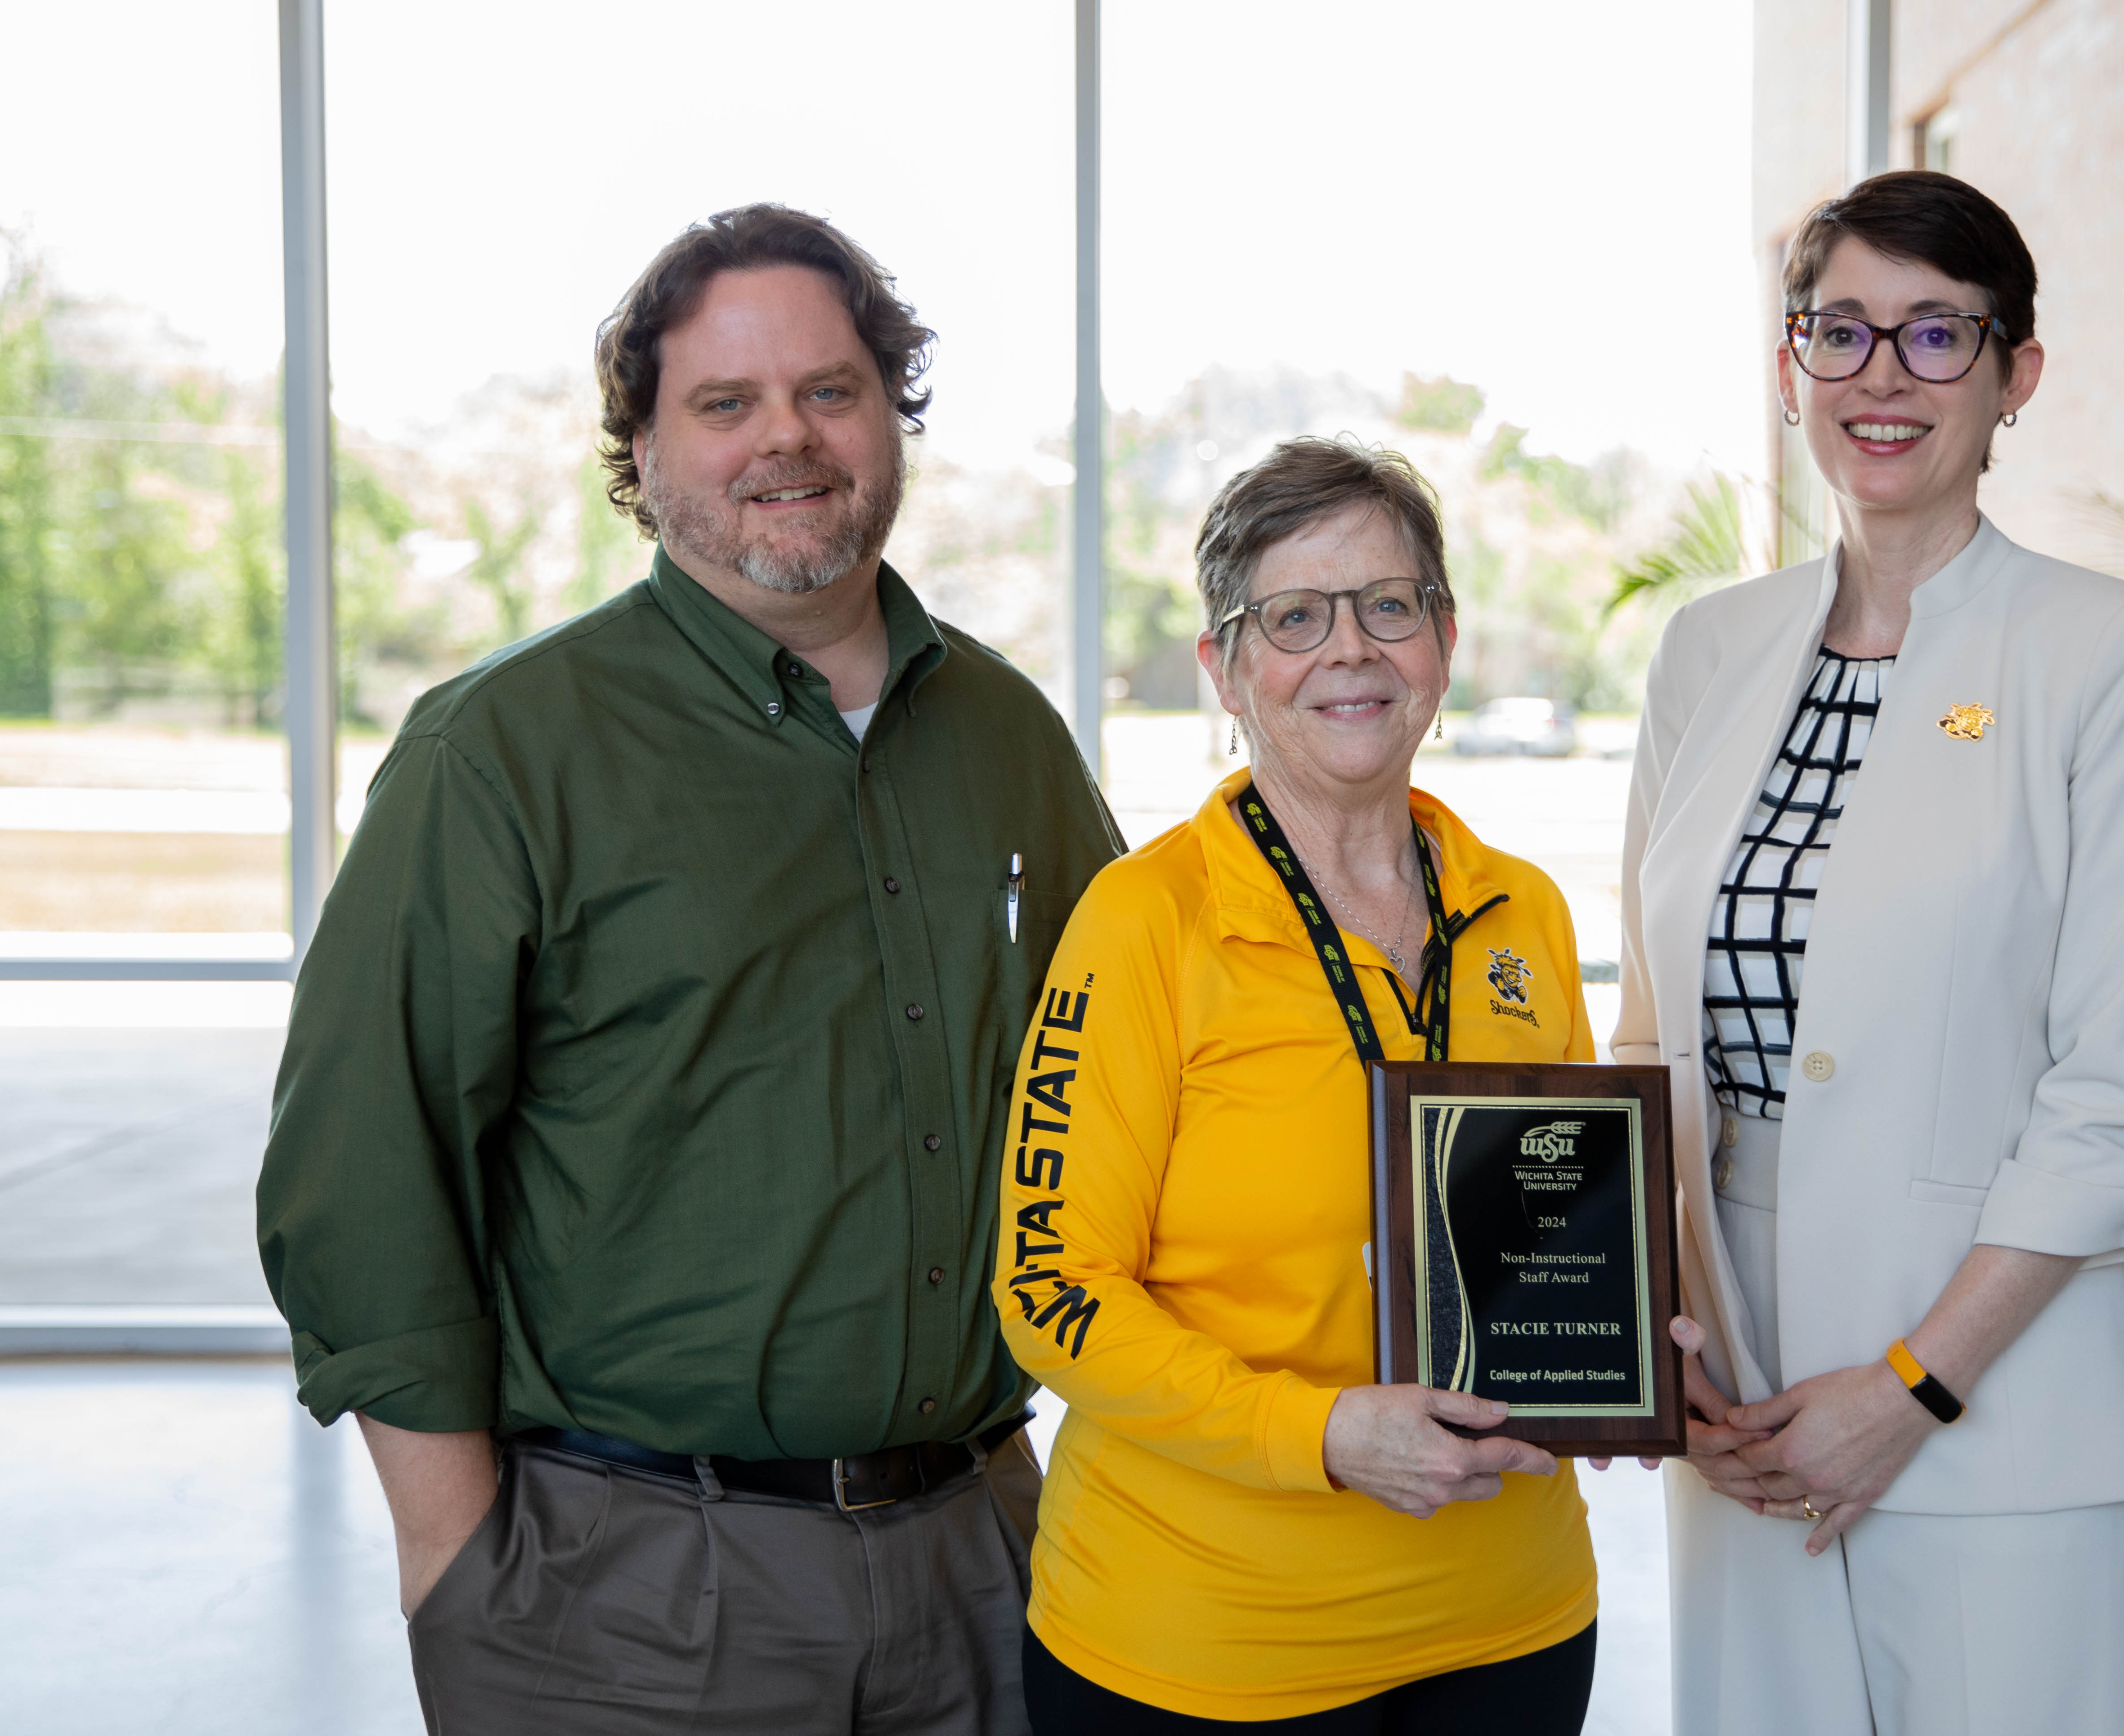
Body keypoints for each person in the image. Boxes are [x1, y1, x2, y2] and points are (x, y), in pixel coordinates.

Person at [255, 203, 1119, 1734]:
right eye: (726, 402)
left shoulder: (1009, 738)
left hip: (988, 1561)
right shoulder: (501, 751)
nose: (787, 437)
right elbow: (362, 1162)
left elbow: (1136, 1085)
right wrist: (455, 1556)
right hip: (630, 1592)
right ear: (644, 454)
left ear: (892, 419)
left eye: (830, 390)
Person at [1615, 170, 2124, 1735]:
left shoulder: (2109, 653)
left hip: (1997, 1404)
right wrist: (1671, 1357)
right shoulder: (1706, 651)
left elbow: (2120, 1096)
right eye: (1843, 330)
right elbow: (1647, 1039)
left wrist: (1915, 1387)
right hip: (1740, 1400)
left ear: (2016, 374)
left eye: (1937, 333)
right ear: (1791, 367)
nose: (1882, 374)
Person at [994, 438, 1602, 1733]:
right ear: (1224, 668)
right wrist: (1317, 1434)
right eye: (1295, 618)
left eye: (1389, 605)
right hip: (1208, 1646)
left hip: (1514, 1619)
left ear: (1443, 638)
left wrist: (1627, 1346)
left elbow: (1564, 1227)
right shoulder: (1145, 922)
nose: (1352, 649)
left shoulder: (1525, 913)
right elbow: (1052, 1292)